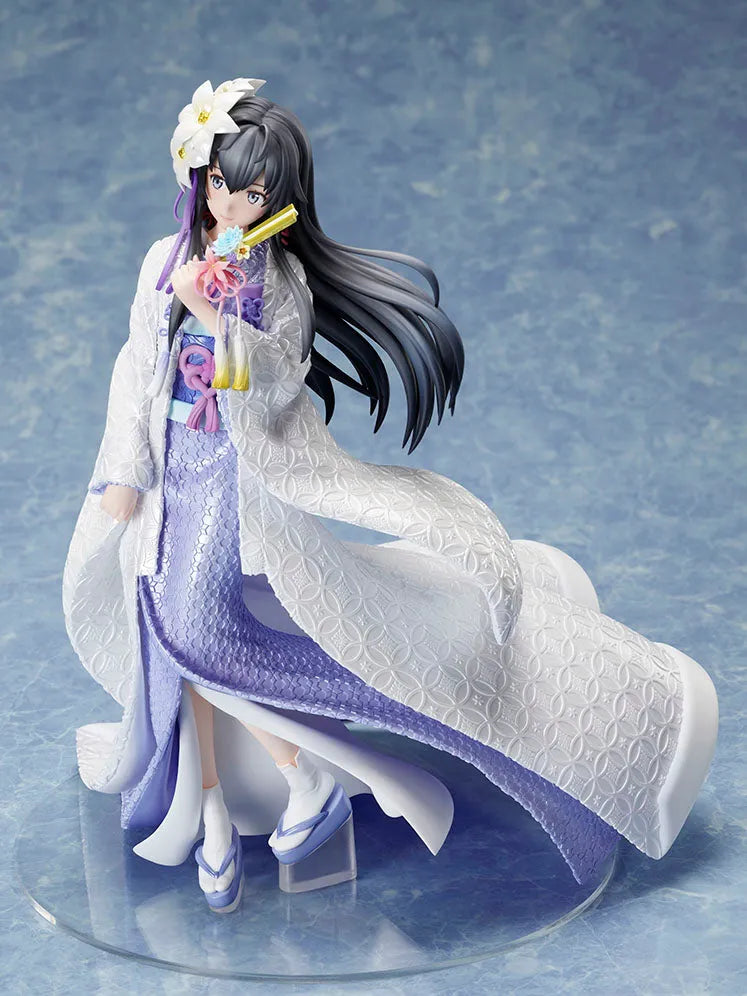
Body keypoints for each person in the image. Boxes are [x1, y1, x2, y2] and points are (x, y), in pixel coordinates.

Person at [63, 77, 718, 914]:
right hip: (169, 475)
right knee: (165, 638)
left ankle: (320, 772)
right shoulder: (165, 257)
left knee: (198, 633)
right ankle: (226, 812)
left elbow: (275, 386)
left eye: (252, 193)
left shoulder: (280, 281)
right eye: (220, 183)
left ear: (279, 197)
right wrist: (125, 471)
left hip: (235, 476)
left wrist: (219, 321)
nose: (230, 204)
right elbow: (137, 370)